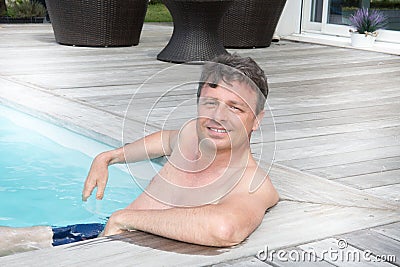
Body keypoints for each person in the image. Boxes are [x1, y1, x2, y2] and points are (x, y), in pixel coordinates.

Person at [0, 53, 279, 255]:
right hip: (97, 234)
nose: (218, 116)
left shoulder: (253, 183)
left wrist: (126, 218)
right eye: (210, 103)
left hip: (131, 253)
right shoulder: (192, 136)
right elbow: (162, 141)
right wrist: (108, 157)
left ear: (256, 119)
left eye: (235, 107)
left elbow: (224, 229)